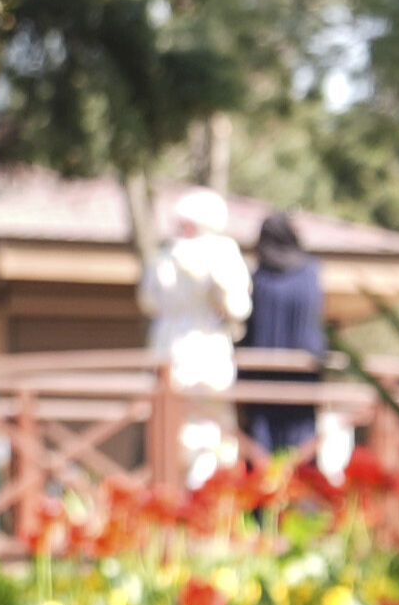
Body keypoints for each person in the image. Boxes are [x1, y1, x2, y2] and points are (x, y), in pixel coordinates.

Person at [137, 184, 250, 488]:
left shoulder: (178, 255)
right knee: (181, 427)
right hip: (191, 348)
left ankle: (199, 490)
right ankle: (182, 493)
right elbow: (239, 307)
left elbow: (237, 306)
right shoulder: (175, 255)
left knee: (204, 431)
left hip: (189, 349)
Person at [236, 210, 327, 461]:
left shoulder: (260, 278)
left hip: (262, 376)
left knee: (262, 444)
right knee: (301, 441)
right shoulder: (311, 273)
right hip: (303, 374)